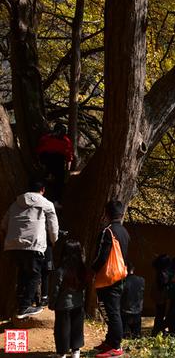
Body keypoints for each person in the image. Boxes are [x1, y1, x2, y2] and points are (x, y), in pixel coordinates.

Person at [1, 179, 59, 319]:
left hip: (13, 246)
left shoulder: (15, 203)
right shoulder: (46, 204)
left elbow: (3, 224)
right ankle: (25, 306)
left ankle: (19, 302)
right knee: (34, 275)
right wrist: (53, 241)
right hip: (34, 245)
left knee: (22, 273)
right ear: (43, 190)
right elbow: (53, 227)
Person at [92, 200, 130, 358]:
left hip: (107, 278)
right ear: (122, 214)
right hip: (120, 277)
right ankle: (110, 340)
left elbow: (101, 256)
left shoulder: (108, 231)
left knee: (111, 312)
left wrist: (91, 270)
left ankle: (116, 346)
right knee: (111, 310)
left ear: (106, 214)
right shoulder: (124, 232)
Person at [49, 239, 87, 358]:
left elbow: (55, 290)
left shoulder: (60, 270)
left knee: (62, 329)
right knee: (77, 327)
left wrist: (52, 304)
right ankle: (75, 351)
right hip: (78, 304)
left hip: (63, 305)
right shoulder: (82, 270)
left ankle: (62, 353)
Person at [36, 123, 73, 203]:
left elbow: (68, 156)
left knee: (58, 178)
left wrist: (67, 171)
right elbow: (69, 157)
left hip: (52, 161)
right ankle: (55, 199)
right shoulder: (48, 138)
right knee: (58, 180)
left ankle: (49, 175)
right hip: (48, 160)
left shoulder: (64, 140)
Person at [121, 264, 145, 339]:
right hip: (138, 310)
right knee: (136, 335)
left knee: (124, 335)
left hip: (125, 310)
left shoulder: (123, 281)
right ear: (133, 269)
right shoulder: (141, 280)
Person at [151, 254, 171, 335]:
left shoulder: (160, 271)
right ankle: (157, 331)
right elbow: (162, 285)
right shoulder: (161, 273)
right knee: (160, 314)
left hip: (159, 296)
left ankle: (158, 330)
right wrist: (172, 280)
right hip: (161, 297)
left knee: (160, 314)